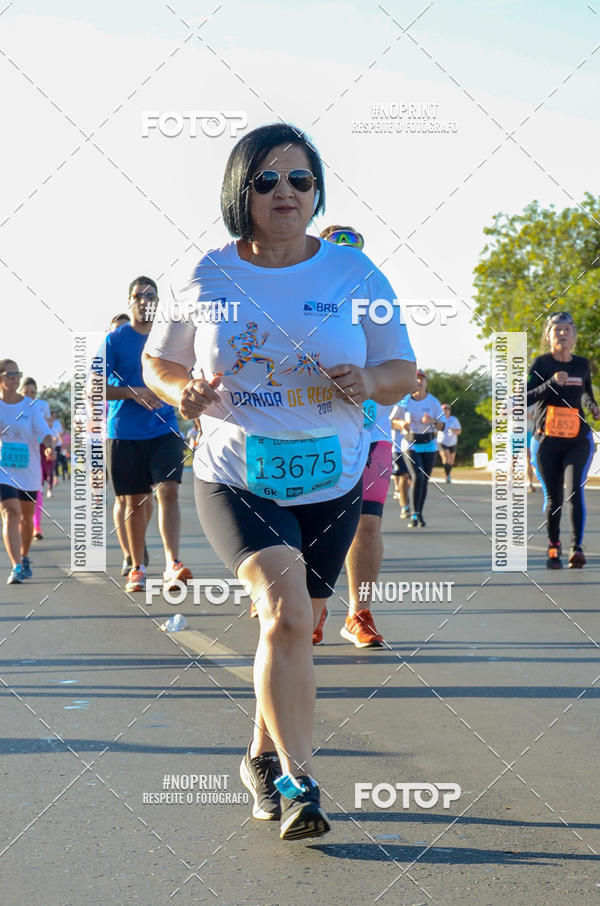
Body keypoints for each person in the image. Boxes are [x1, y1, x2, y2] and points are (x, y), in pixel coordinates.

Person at [142, 123, 416, 840]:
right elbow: (157, 362)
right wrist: (183, 394)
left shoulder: (357, 276)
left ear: (317, 191)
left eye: (299, 180)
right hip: (238, 477)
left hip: (333, 477)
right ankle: (301, 783)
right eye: (266, 181)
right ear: (242, 192)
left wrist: (369, 380)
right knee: (287, 614)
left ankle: (261, 755)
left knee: (305, 625)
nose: (285, 193)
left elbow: (401, 371)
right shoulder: (203, 274)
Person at [312, 223, 390, 648]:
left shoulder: (380, 307)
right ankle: (311, 602)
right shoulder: (311, 308)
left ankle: (360, 613)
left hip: (374, 435)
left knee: (368, 526)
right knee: (315, 527)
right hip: (317, 435)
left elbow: (399, 366)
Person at [102, 277, 191, 593]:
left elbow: (189, 374)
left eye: (151, 295)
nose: (144, 300)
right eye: (138, 296)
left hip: (164, 429)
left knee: (169, 491)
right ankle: (137, 566)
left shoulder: (170, 335)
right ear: (130, 302)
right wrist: (133, 392)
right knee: (135, 502)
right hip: (125, 432)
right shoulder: (115, 340)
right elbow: (93, 386)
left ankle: (172, 562)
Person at [527, 311, 599, 569]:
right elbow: (525, 398)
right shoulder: (542, 364)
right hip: (548, 441)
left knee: (574, 492)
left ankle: (576, 548)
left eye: (567, 329)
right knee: (554, 497)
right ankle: (553, 545)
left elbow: (586, 393)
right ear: (549, 335)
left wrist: (593, 406)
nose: (562, 334)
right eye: (557, 330)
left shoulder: (581, 364)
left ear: (574, 335)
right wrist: (549, 384)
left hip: (578, 439)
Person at [0, 360, 54, 584]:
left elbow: (45, 432)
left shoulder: (30, 406)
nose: (15, 377)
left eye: (17, 374)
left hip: (29, 469)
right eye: (10, 374)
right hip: (3, 470)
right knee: (11, 513)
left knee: (26, 520)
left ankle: (24, 555)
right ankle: (17, 566)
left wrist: (49, 445)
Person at [107, 312, 151, 577]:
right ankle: (129, 553)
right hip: (117, 432)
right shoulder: (108, 357)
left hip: (146, 432)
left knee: (144, 498)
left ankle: (139, 543)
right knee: (123, 500)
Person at [400, 371, 445, 527]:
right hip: (410, 444)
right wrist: (402, 425)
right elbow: (392, 421)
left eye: (421, 379)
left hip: (429, 444)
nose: (419, 382)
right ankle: (413, 514)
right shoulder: (405, 401)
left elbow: (442, 425)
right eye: (416, 379)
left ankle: (419, 513)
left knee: (424, 479)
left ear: (426, 382)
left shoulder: (433, 402)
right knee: (417, 476)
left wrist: (432, 420)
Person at [19, 377, 52, 540]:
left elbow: (46, 428)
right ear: (20, 392)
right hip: (17, 451)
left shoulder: (42, 406)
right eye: (26, 393)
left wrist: (48, 446)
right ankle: (19, 520)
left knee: (36, 487)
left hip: (37, 450)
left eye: (33, 393)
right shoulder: (11, 406)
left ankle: (36, 526)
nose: (29, 396)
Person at [390, 399, 411, 517]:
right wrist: (402, 424)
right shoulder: (400, 405)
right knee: (404, 475)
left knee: (413, 478)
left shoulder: (424, 404)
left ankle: (404, 496)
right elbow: (390, 422)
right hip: (398, 447)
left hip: (414, 447)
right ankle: (405, 506)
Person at [436, 403, 461, 483]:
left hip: (452, 442)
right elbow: (434, 430)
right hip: (442, 441)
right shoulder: (438, 419)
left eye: (447, 409)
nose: (446, 411)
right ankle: (447, 476)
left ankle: (448, 475)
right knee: (445, 457)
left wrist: (453, 430)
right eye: (444, 410)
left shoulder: (454, 419)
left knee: (451, 461)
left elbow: (459, 431)